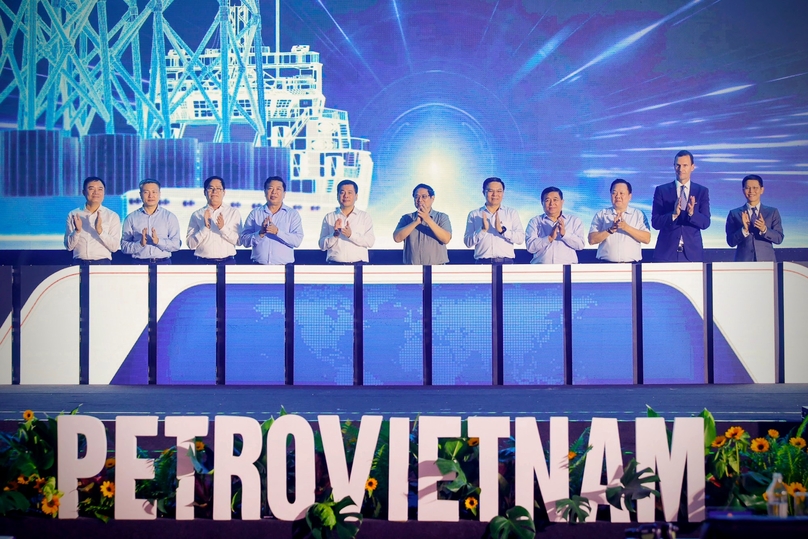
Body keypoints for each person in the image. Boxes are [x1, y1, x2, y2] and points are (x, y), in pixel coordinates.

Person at [652, 150, 711, 262]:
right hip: (666, 253)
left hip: (692, 254)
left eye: (685, 165)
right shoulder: (661, 190)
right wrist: (673, 215)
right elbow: (655, 222)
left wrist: (692, 213)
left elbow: (705, 223)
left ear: (692, 167)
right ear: (674, 166)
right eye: (678, 165)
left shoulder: (701, 191)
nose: (681, 169)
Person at [240, 176, 304, 264]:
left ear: (284, 193)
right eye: (270, 188)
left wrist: (277, 232)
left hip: (284, 268)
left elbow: (297, 241)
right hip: (258, 267)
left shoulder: (292, 214)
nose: (274, 192)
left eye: (278, 189)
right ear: (265, 192)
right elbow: (244, 241)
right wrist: (260, 233)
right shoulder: (255, 213)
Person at [463, 177, 525, 263]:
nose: (495, 194)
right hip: (482, 263)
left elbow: (520, 239)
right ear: (483, 193)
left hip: (506, 263)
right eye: (490, 191)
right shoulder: (474, 214)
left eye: (499, 191)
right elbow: (467, 242)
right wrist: (482, 230)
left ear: (503, 193)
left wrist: (502, 231)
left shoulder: (511, 213)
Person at [588, 179, 651, 263]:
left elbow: (647, 239)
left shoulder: (638, 214)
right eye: (614, 193)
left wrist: (626, 227)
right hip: (606, 265)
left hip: (632, 266)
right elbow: (591, 240)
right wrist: (610, 230)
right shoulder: (601, 214)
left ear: (629, 196)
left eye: (621, 193)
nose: (617, 196)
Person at [121, 179, 181, 264]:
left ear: (159, 194)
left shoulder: (170, 217)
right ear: (140, 195)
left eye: (154, 192)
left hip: (164, 264)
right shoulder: (131, 218)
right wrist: (140, 244)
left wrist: (158, 242)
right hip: (138, 264)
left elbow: (176, 245)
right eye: (146, 192)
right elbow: (124, 247)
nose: (150, 196)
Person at [725, 174, 784, 261]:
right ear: (743, 190)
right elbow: (731, 242)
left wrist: (764, 229)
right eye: (747, 188)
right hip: (743, 262)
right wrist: (744, 230)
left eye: (755, 188)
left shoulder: (772, 212)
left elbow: (779, 238)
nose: (751, 191)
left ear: (761, 190)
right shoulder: (734, 214)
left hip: (767, 262)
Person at [64, 177, 122, 265]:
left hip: (103, 264)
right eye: (91, 189)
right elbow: (69, 247)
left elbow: (114, 247)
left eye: (100, 189)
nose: (96, 192)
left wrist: (100, 231)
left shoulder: (112, 216)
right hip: (79, 264)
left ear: (104, 192)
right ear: (84, 192)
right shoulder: (74, 214)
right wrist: (77, 231)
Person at [186, 175, 242, 264]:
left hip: (227, 262)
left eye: (218, 188)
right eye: (211, 188)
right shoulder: (197, 215)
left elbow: (239, 241)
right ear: (205, 192)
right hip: (203, 263)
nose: (214, 191)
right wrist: (205, 228)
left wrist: (223, 228)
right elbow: (190, 244)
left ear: (224, 192)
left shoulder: (233, 213)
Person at [393, 183, 452, 265]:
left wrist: (427, 219)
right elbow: (397, 238)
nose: (420, 200)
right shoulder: (406, 218)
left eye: (424, 196)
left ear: (432, 198)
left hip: (437, 268)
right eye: (416, 197)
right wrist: (416, 222)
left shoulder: (442, 217)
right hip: (412, 268)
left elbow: (446, 239)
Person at [318, 180, 375, 264]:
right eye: (342, 192)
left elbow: (370, 242)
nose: (346, 196)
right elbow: (322, 245)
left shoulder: (364, 216)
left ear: (356, 196)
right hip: (334, 265)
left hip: (359, 265)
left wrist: (351, 235)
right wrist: (335, 235)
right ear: (337, 196)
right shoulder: (329, 217)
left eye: (350, 193)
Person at [525, 186, 585, 264]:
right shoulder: (535, 221)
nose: (551, 203)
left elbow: (580, 245)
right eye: (547, 200)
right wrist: (549, 238)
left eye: (555, 200)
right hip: (541, 269)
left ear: (562, 202)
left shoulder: (574, 221)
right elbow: (530, 247)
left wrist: (564, 234)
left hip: (567, 269)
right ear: (542, 203)